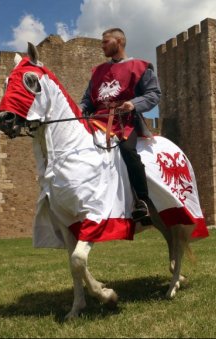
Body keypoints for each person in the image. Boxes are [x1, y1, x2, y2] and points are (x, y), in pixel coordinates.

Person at [79, 28, 161, 221]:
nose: (102, 45)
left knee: (127, 150)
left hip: (125, 122)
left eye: (105, 41)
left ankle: (142, 201)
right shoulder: (98, 71)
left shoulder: (139, 67)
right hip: (97, 121)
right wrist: (78, 109)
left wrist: (133, 103)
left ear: (119, 41)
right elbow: (87, 100)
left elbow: (154, 94)